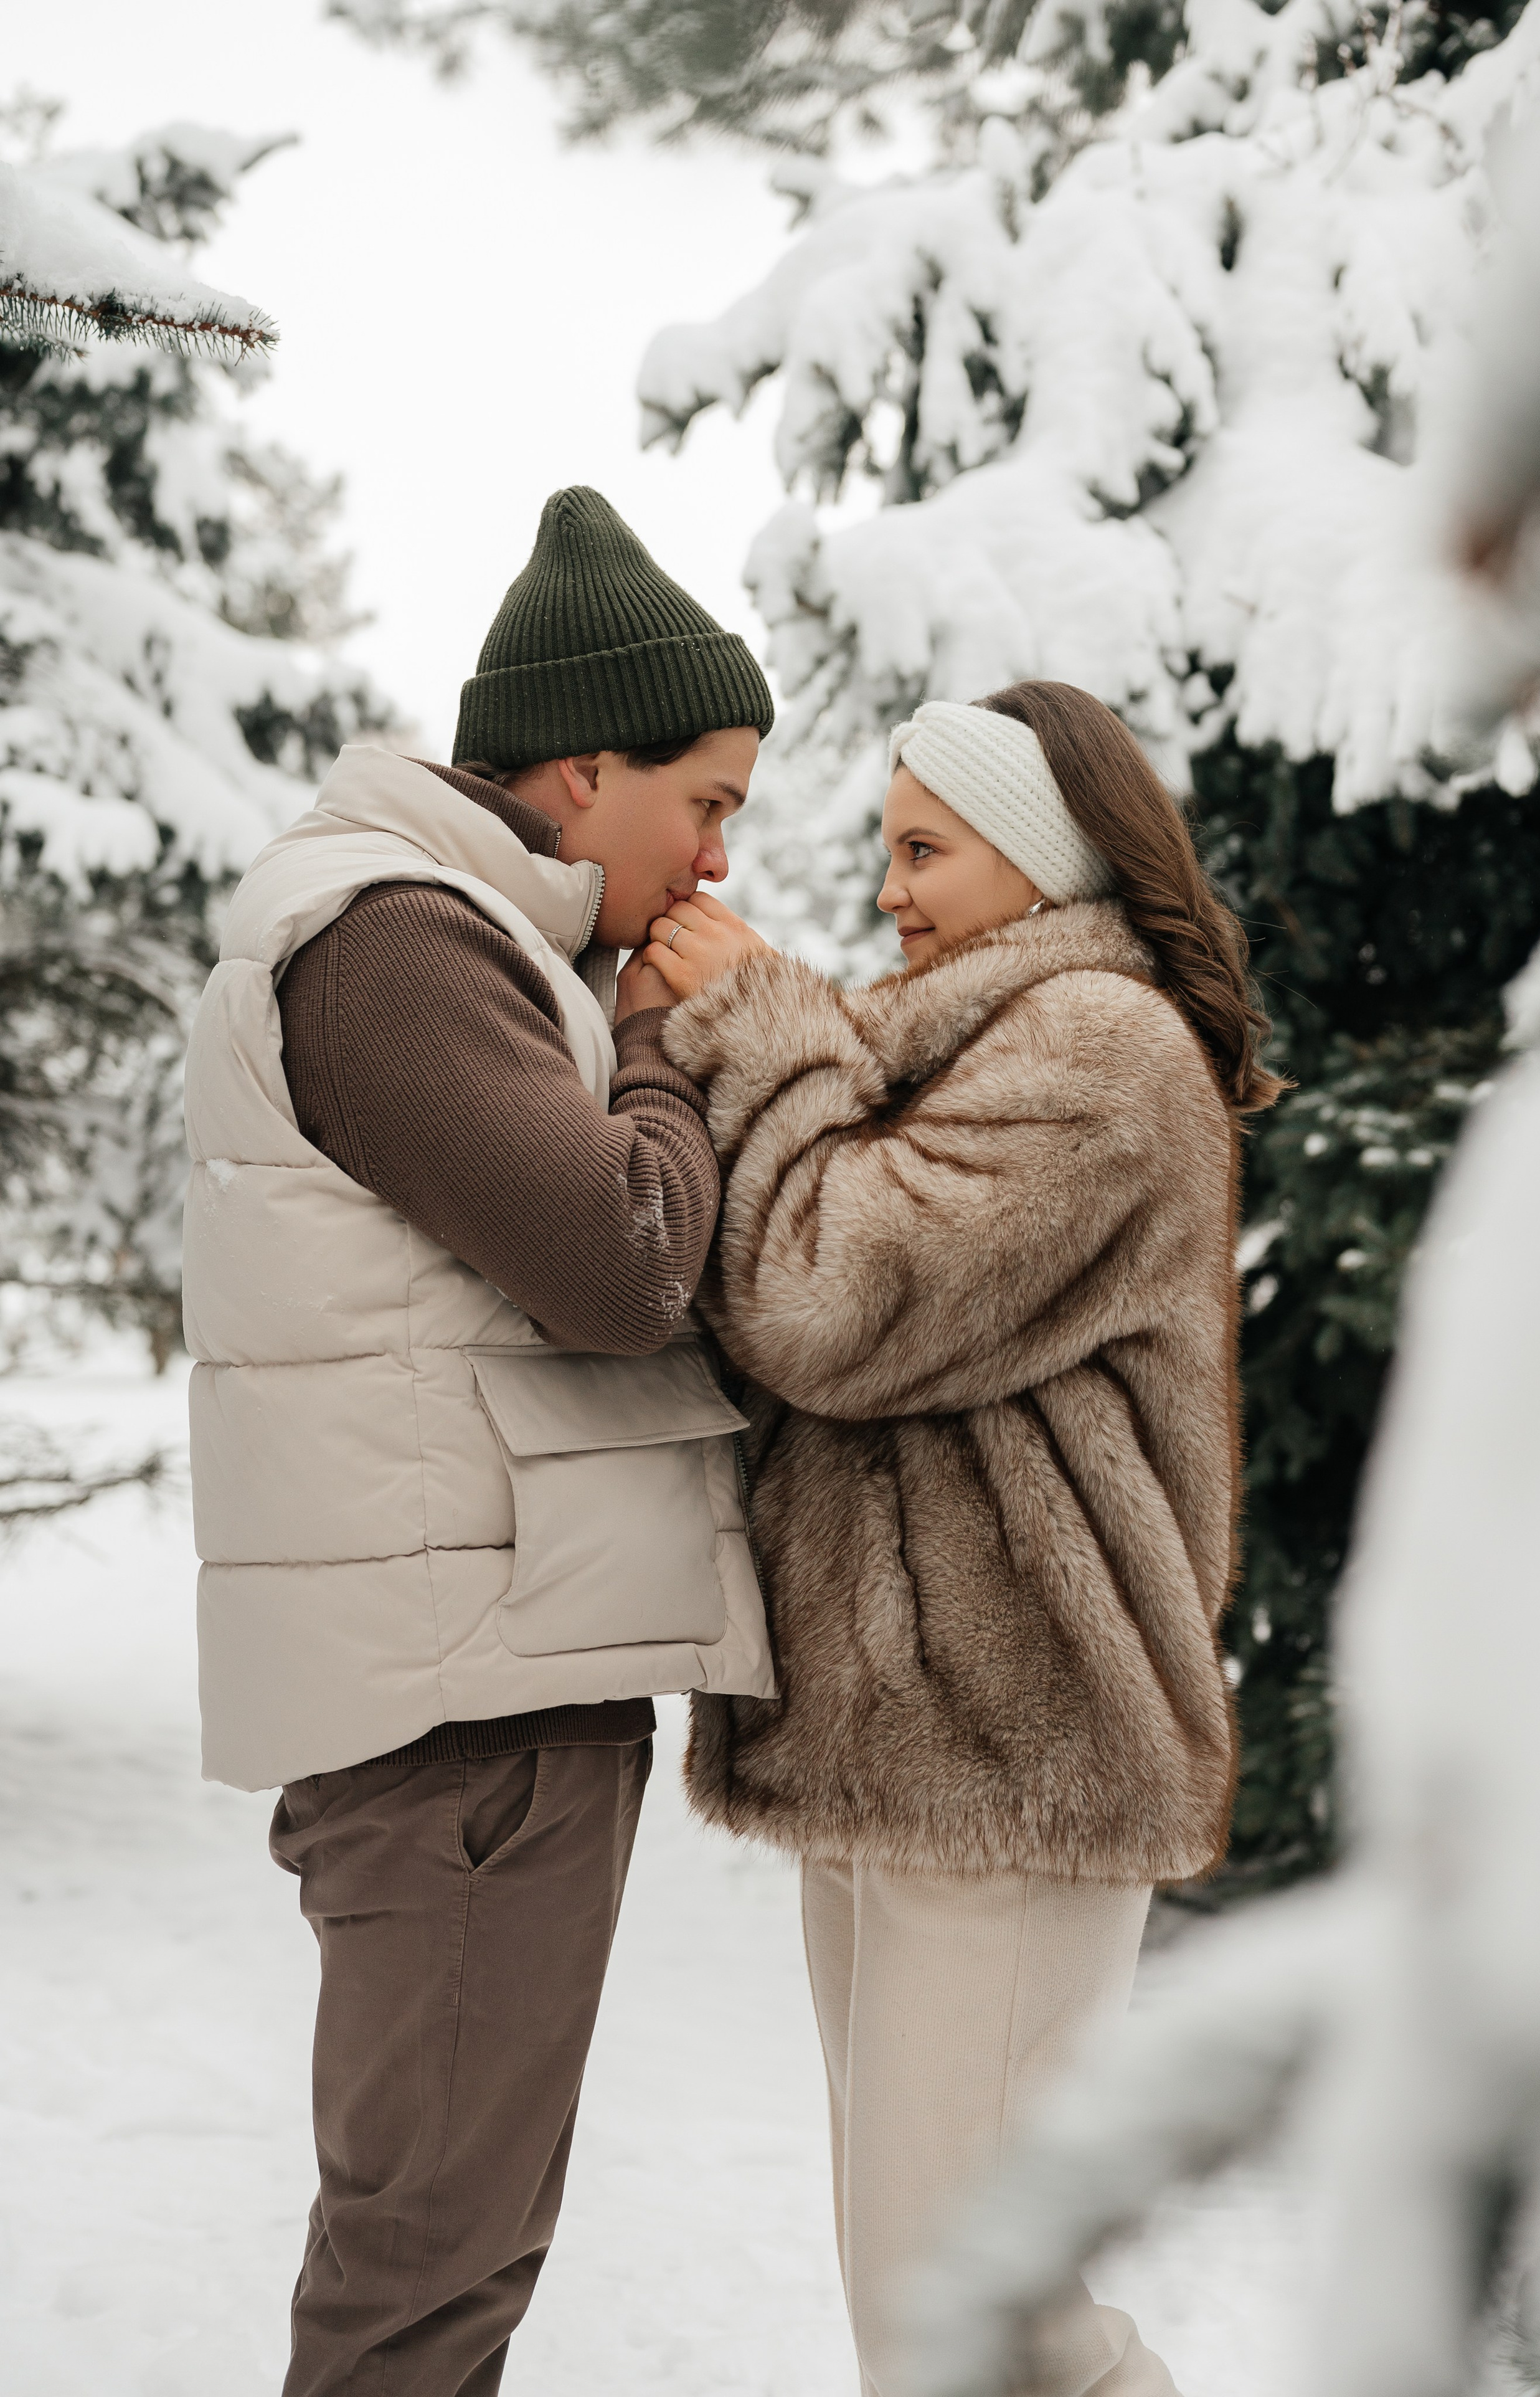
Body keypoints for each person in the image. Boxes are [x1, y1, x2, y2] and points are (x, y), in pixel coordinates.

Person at [181, 487, 777, 2396]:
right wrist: (685, 1053)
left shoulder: (464, 945)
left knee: (452, 2252)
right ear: (583, 773)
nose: (709, 861)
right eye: (705, 806)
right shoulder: (396, 944)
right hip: (460, 1730)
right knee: (425, 2276)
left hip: (484, 1697)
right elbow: (625, 1258)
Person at [640, 681, 1284, 2397]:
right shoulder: (964, 1046)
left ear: (1047, 857)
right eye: (885, 849)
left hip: (1021, 1757)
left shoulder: (1102, 1051)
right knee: (932, 2310)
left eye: (924, 849)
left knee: (978, 2322)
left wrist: (766, 1022)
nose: (888, 893)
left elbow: (837, 1297)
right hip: (903, 1753)